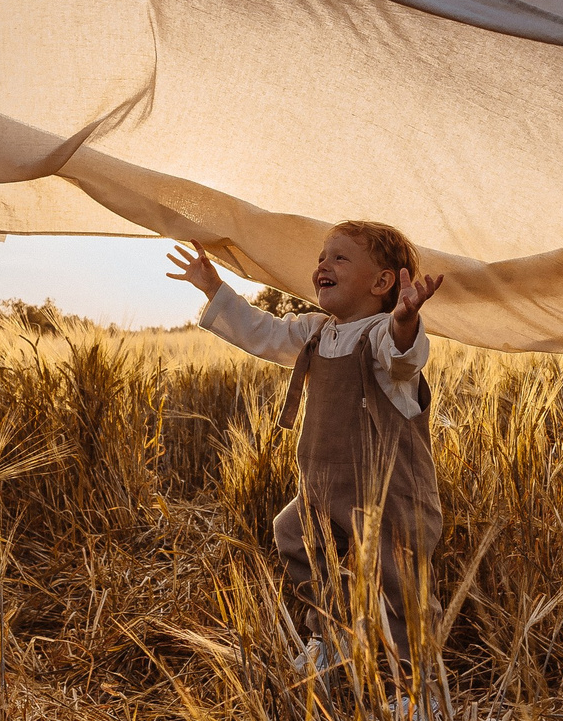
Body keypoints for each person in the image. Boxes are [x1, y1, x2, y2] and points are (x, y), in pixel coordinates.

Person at [168, 225, 444, 657]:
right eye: (321, 258)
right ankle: (333, 635)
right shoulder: (316, 332)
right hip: (324, 484)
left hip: (387, 491)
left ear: (381, 282)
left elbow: (403, 359)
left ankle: (414, 677)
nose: (322, 266)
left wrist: (406, 322)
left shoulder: (381, 333)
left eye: (339, 258)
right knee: (295, 537)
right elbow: (263, 330)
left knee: (397, 579)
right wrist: (213, 288)